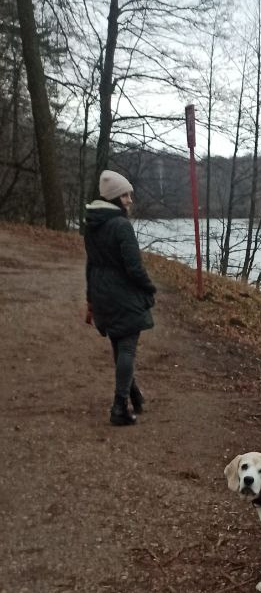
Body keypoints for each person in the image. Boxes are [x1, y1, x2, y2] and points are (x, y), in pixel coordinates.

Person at [84, 170, 156, 426]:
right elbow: (134, 268)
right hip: (123, 296)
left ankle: (134, 397)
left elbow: (90, 265)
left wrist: (91, 299)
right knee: (127, 348)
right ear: (114, 198)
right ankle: (119, 408)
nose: (129, 200)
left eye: (129, 194)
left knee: (120, 346)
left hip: (103, 295)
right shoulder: (121, 226)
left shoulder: (92, 224)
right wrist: (149, 288)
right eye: (125, 195)